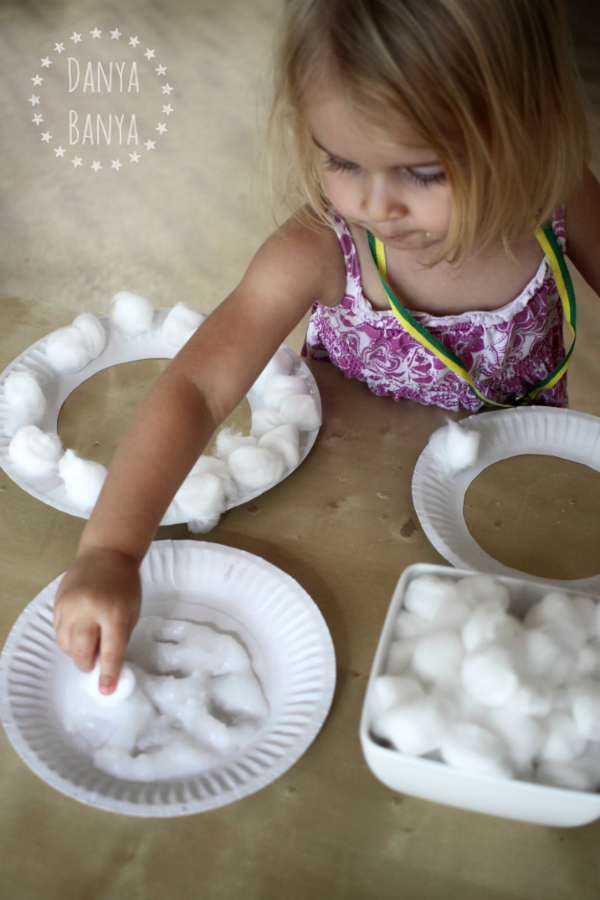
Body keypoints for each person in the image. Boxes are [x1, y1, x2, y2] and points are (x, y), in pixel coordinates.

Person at [54, 0, 600, 691]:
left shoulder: (557, 197)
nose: (376, 205)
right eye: (342, 161)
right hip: (339, 515)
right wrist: (109, 550)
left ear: (530, 131)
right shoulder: (319, 250)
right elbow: (196, 388)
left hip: (506, 514)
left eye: (424, 172)